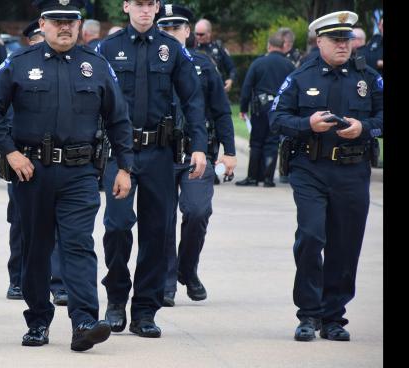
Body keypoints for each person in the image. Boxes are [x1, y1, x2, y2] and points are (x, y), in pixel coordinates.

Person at [0, 0, 133, 351]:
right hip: (31, 172)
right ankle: (37, 320)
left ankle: (83, 320)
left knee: (79, 244)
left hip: (79, 172)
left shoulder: (95, 66)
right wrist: (10, 152)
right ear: (43, 24)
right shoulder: (19, 63)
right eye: (57, 21)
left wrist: (125, 167)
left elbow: (118, 119)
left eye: (71, 22)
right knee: (36, 248)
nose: (64, 27)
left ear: (79, 26)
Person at [270, 11, 383, 342]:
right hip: (311, 169)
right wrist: (307, 125)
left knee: (345, 245)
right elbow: (277, 117)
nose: (343, 46)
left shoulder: (367, 78)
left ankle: (334, 316)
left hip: (353, 170)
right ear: (319, 41)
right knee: (311, 236)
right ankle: (308, 313)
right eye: (336, 40)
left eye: (347, 40)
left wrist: (365, 128)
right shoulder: (300, 77)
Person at [97, 0, 207, 338]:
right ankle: (116, 299)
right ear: (126, 6)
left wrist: (200, 146)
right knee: (117, 226)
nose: (145, 10)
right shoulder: (107, 48)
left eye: (150, 3)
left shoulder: (171, 49)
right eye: (138, 3)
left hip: (159, 151)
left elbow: (193, 99)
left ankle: (145, 309)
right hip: (119, 151)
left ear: (156, 7)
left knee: (157, 232)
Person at [156, 3, 236, 307]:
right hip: (161, 152)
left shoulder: (204, 64)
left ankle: (187, 269)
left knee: (197, 211)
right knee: (162, 219)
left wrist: (229, 151)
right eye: (164, 28)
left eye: (176, 28)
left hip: (196, 152)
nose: (170, 33)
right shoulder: (150, 63)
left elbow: (221, 111)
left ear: (188, 32)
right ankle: (166, 283)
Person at [4, 19, 68, 306]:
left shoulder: (69, 67)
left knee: (60, 229)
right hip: (23, 162)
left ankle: (59, 283)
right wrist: (9, 151)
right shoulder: (17, 65)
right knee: (22, 225)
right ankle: (18, 277)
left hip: (64, 167)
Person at [237, 30, 296, 187]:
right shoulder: (290, 65)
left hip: (260, 109)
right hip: (279, 110)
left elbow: (247, 87)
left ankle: (252, 178)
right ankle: (268, 178)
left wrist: (243, 108)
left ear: (269, 46)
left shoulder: (258, 63)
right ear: (283, 46)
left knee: (256, 142)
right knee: (272, 143)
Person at [194, 18, 236, 92]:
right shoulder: (192, 48)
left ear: (209, 33)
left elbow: (232, 68)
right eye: (196, 34)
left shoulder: (218, 48)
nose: (198, 37)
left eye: (201, 34)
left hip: (217, 89)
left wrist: (230, 80)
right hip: (198, 90)